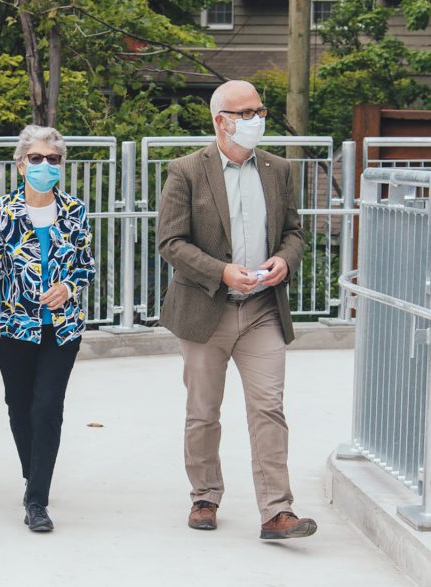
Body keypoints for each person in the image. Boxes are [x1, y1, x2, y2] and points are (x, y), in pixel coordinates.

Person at [156, 80, 315, 539]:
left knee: (269, 408)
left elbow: (294, 232)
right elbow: (170, 242)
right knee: (204, 411)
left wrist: (284, 260)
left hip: (262, 308)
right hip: (206, 309)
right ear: (220, 120)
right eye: (245, 112)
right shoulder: (187, 170)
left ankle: (276, 511)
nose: (256, 119)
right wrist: (221, 272)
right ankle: (205, 496)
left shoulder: (278, 169)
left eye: (260, 110)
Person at [0, 125, 95, 533]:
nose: (45, 166)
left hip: (62, 330)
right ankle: (33, 472)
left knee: (47, 408)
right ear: (21, 163)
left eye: (53, 159)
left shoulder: (75, 210)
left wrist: (67, 286)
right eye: (37, 158)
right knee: (19, 406)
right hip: (14, 327)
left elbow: (86, 266)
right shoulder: (0, 212)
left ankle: (37, 499)